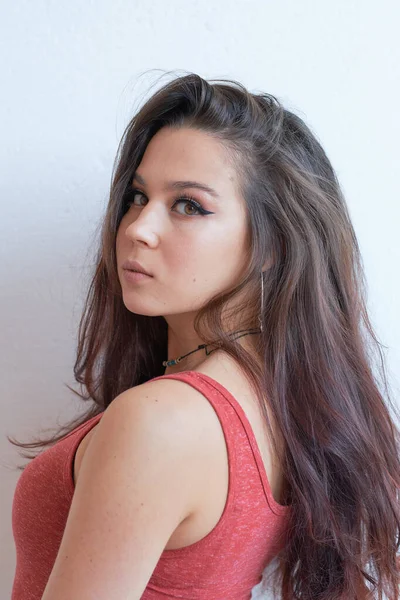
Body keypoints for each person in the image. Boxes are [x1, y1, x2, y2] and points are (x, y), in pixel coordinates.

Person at [9, 72, 400, 599]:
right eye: (137, 196)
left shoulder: (164, 420)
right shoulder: (276, 398)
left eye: (188, 205)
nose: (137, 228)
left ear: (272, 246)